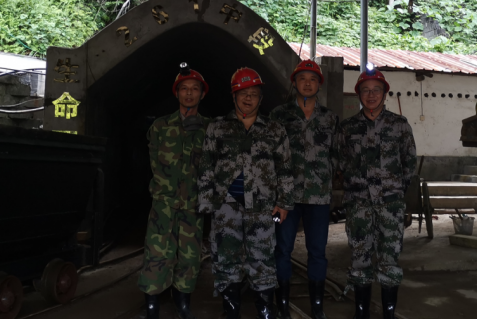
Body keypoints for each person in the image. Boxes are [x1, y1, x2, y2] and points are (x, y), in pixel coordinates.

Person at [197, 67, 294, 319]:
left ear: (260, 98)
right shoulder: (218, 128)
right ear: (234, 96)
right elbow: (206, 166)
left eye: (253, 93)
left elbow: (285, 169)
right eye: (243, 93)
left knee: (262, 258)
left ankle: (265, 309)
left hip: (262, 207)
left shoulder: (274, 130)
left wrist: (284, 203)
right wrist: (207, 204)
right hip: (225, 206)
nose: (248, 98)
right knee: (226, 258)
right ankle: (231, 310)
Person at [339, 63, 417, 319]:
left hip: (390, 206)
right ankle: (361, 311)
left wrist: (394, 194)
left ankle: (388, 313)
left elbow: (409, 164)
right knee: (359, 258)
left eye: (376, 90)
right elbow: (340, 163)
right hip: (358, 205)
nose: (371, 95)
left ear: (384, 93)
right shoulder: (347, 128)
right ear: (358, 94)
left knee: (389, 260)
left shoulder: (399, 125)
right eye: (365, 90)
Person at [139, 63, 211, 319]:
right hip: (164, 205)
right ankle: (152, 305)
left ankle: (183, 303)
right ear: (176, 93)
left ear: (202, 94)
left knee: (189, 258)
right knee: (156, 254)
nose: (189, 93)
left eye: (195, 89)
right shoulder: (161, 126)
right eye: (184, 89)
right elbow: (154, 164)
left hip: (193, 205)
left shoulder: (209, 129)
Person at [269, 60, 339, 319]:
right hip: (284, 200)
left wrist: (325, 177)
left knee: (317, 252)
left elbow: (336, 154)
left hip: (319, 198)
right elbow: (270, 154)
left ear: (319, 84)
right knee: (281, 249)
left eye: (312, 79)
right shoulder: (279, 115)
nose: (307, 83)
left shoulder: (330, 118)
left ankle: (317, 307)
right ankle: (283, 305)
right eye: (302, 79)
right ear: (294, 82)